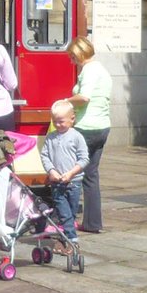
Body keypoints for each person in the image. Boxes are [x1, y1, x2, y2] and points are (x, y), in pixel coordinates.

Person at [67, 36, 112, 234]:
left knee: (70, 174)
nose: (72, 62)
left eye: (72, 58)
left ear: (78, 55)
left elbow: (84, 97)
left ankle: (65, 220)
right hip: (102, 128)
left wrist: (65, 101)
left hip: (85, 128)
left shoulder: (89, 71)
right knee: (91, 176)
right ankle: (93, 223)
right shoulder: (102, 70)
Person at [39, 98, 89, 252]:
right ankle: (73, 240)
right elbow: (44, 156)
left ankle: (63, 240)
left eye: (61, 121)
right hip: (57, 182)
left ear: (72, 119)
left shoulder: (76, 137)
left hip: (74, 182)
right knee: (64, 213)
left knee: (70, 214)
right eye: (55, 121)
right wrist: (51, 171)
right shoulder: (51, 137)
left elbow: (84, 158)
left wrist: (72, 173)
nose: (58, 124)